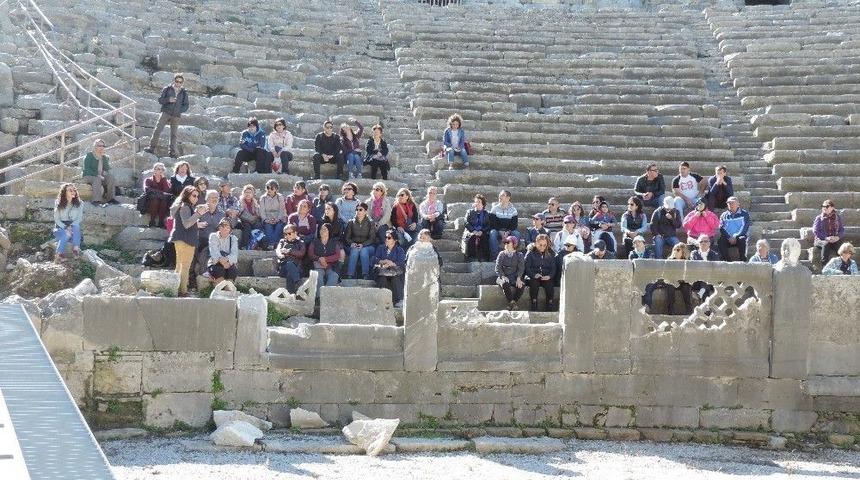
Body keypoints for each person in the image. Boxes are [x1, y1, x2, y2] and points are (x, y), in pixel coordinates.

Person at [168, 186, 208, 296]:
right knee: (185, 267)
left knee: (179, 266)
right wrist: (198, 213)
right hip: (186, 240)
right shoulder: (185, 207)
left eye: (197, 196)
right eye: (194, 196)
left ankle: (175, 289)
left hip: (181, 239)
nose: (196, 198)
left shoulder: (184, 206)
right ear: (187, 195)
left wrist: (197, 220)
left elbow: (186, 223)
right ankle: (183, 291)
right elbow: (187, 224)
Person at [145, 73, 188, 158]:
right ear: (174, 81)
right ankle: (151, 148)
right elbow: (160, 100)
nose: (178, 83)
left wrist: (179, 110)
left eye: (180, 82)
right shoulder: (167, 89)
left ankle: (172, 152)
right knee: (157, 130)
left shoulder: (184, 92)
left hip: (176, 115)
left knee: (174, 135)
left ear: (182, 83)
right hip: (165, 112)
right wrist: (168, 100)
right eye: (177, 81)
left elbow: (186, 105)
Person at [373, 230, 407, 307]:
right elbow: (374, 259)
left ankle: (400, 300)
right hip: (382, 272)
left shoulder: (399, 250)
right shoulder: (380, 248)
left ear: (395, 240)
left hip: (394, 272)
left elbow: (402, 262)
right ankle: (382, 300)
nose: (386, 239)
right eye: (385, 237)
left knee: (396, 279)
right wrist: (383, 261)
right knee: (382, 278)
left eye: (389, 238)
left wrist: (392, 264)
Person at [524, 234, 556, 311]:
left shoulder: (551, 253)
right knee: (534, 283)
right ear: (536, 243)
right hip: (533, 276)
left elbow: (553, 268)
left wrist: (549, 276)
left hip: (546, 276)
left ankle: (549, 303)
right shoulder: (530, 253)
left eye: (544, 245)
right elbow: (527, 268)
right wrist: (534, 275)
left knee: (550, 284)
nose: (542, 247)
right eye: (540, 245)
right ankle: (534, 303)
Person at [308, 223, 342, 296]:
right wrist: (319, 259)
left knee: (334, 276)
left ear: (329, 231)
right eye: (321, 229)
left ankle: (326, 297)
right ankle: (319, 297)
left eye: (325, 229)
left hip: (331, 267)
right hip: (318, 266)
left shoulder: (334, 243)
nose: (322, 231)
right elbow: (310, 254)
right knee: (318, 275)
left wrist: (325, 259)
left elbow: (337, 255)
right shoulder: (315, 242)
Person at [345, 202, 377, 279]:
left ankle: (365, 275)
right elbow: (347, 237)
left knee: (363, 250)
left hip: (368, 246)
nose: (358, 211)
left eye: (360, 210)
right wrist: (352, 243)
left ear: (365, 211)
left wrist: (363, 245)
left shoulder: (370, 223)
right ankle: (350, 275)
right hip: (354, 246)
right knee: (355, 250)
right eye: (357, 209)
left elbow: (372, 238)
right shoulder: (351, 222)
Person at [81, 138, 117, 206]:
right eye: (99, 146)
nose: (101, 147)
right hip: (88, 176)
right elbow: (86, 169)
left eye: (103, 146)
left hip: (100, 177)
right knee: (97, 179)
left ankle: (111, 199)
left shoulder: (104, 157)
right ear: (95, 147)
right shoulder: (89, 156)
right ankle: (96, 200)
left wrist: (104, 158)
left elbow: (107, 169)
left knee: (111, 177)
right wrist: (97, 175)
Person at [53, 183, 83, 261]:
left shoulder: (80, 203)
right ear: (64, 192)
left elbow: (79, 218)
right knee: (67, 234)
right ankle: (59, 254)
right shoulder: (58, 202)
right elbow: (56, 219)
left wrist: (70, 226)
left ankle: (75, 250)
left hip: (73, 227)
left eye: (74, 190)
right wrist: (65, 227)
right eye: (70, 190)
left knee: (76, 227)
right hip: (60, 227)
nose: (73, 192)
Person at [495, 235, 525, 310]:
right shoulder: (501, 254)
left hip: (514, 277)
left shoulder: (519, 255)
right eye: (505, 242)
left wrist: (518, 278)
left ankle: (511, 303)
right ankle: (513, 303)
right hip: (503, 276)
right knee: (505, 283)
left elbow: (521, 268)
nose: (506, 244)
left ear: (514, 244)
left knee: (521, 285)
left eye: (508, 242)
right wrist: (503, 276)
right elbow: (497, 268)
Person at [718, 196, 750, 262]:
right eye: (729, 203)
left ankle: (743, 261)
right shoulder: (724, 215)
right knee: (721, 241)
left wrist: (736, 236)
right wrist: (729, 237)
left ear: (738, 204)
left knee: (742, 239)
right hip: (728, 238)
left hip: (739, 237)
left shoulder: (744, 214)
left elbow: (745, 227)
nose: (730, 205)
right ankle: (727, 261)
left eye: (732, 203)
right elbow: (721, 227)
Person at [813, 199, 845, 266]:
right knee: (826, 244)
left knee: (842, 247)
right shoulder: (819, 218)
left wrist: (837, 237)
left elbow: (842, 230)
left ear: (832, 208)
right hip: (820, 240)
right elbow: (815, 231)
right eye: (823, 206)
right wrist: (826, 238)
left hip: (833, 239)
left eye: (827, 206)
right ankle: (824, 265)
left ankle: (844, 266)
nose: (824, 208)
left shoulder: (837, 218)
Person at [488, 190, 520, 257]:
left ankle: (513, 255)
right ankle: (495, 257)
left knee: (516, 233)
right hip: (497, 230)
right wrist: (500, 232)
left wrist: (507, 232)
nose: (500, 197)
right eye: (500, 195)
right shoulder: (494, 209)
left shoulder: (513, 210)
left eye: (502, 195)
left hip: (508, 231)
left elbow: (514, 225)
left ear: (508, 198)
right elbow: (492, 224)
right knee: (492, 233)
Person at [276, 224, 306, 294]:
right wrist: (280, 255)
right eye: (285, 234)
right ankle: (298, 283)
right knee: (289, 264)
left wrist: (289, 251)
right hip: (284, 267)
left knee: (290, 274)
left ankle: (291, 295)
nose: (287, 236)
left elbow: (301, 253)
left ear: (295, 233)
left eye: (289, 233)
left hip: (297, 267)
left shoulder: (300, 242)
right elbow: (278, 250)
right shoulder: (282, 241)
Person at [207, 219, 239, 284]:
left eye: (227, 227)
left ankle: (228, 290)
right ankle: (223, 288)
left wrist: (227, 260)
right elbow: (214, 252)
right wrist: (222, 262)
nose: (225, 229)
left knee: (232, 271)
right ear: (219, 227)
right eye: (223, 226)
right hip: (216, 262)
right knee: (218, 271)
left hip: (228, 262)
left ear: (230, 229)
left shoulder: (233, 238)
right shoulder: (213, 236)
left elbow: (234, 254)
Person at [462, 194, 491, 261]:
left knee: (485, 238)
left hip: (482, 231)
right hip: (471, 231)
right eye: (476, 202)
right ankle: (471, 257)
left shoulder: (486, 214)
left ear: (483, 204)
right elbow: (466, 222)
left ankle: (485, 257)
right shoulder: (470, 212)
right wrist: (473, 231)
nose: (477, 203)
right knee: (472, 237)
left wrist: (482, 231)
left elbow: (488, 225)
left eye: (479, 202)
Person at [260, 179, 287, 250]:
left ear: (276, 189)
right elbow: (262, 211)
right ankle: (274, 244)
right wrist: (266, 220)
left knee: (279, 226)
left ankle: (272, 244)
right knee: (268, 227)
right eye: (268, 188)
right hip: (267, 218)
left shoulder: (280, 197)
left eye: (272, 188)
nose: (269, 190)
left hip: (279, 218)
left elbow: (282, 210)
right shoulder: (263, 198)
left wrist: (278, 219)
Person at [143, 162, 171, 228]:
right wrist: (160, 193)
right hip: (150, 201)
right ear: (154, 170)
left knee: (163, 201)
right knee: (155, 200)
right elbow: (147, 189)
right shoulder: (148, 180)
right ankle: (152, 221)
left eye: (162, 169)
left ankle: (161, 222)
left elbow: (167, 191)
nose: (160, 171)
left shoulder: (165, 181)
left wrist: (164, 179)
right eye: (158, 169)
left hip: (162, 201)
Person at [237, 184, 261, 249]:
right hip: (243, 221)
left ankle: (257, 245)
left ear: (253, 194)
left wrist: (256, 216)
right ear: (243, 193)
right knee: (247, 226)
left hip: (253, 220)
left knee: (258, 225)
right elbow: (239, 213)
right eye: (246, 192)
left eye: (250, 192)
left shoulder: (255, 202)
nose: (248, 194)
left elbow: (258, 213)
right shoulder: (240, 201)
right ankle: (244, 246)